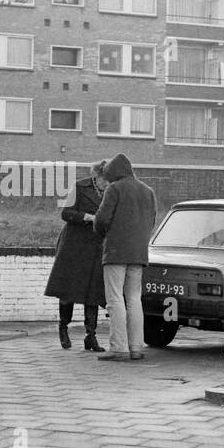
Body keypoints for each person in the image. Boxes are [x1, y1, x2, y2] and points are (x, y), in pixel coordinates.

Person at [93, 153, 157, 362]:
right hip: (138, 252)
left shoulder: (114, 189)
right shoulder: (148, 191)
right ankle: (136, 347)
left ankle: (119, 348)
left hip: (116, 251)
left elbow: (101, 220)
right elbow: (152, 220)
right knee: (134, 299)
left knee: (114, 298)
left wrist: (103, 233)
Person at [43, 161, 109, 352]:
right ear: (96, 176)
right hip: (73, 243)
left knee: (93, 291)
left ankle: (91, 336)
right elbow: (65, 213)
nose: (107, 183)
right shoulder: (80, 187)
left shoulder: (110, 191)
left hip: (95, 245)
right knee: (68, 289)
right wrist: (87, 217)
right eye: (105, 179)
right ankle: (63, 328)